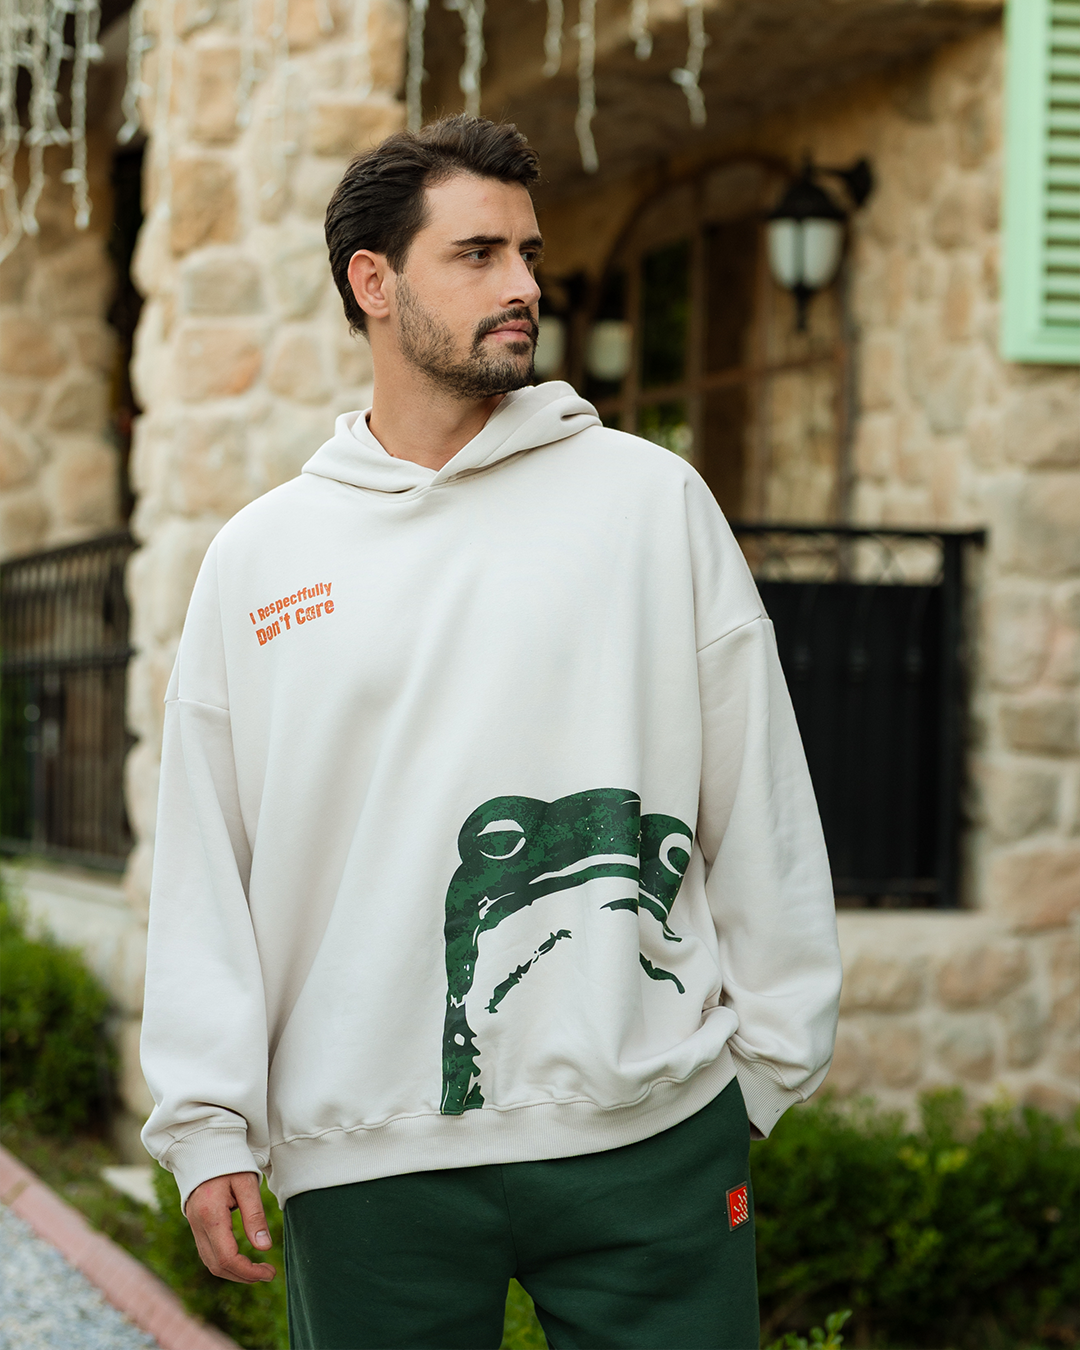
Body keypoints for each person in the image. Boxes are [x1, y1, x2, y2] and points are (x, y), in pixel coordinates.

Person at [140, 114, 842, 1350]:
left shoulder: (651, 503)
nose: (523, 284)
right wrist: (207, 1124)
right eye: (477, 254)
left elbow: (760, 792)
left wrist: (766, 1067)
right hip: (366, 1157)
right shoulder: (262, 560)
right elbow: (209, 856)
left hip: (651, 1138)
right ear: (374, 282)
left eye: (528, 253)